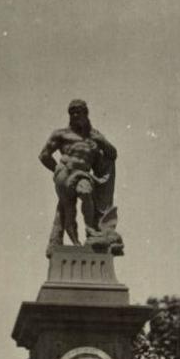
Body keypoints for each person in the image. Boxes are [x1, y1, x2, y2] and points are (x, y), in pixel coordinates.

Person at [39, 100, 118, 252]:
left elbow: (113, 154)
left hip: (82, 175)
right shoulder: (61, 134)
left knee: (86, 192)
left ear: (85, 114)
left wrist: (101, 142)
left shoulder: (94, 135)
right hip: (65, 172)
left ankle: (90, 230)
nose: (75, 115)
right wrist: (57, 170)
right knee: (68, 209)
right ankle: (74, 241)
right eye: (72, 113)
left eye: (78, 112)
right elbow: (44, 155)